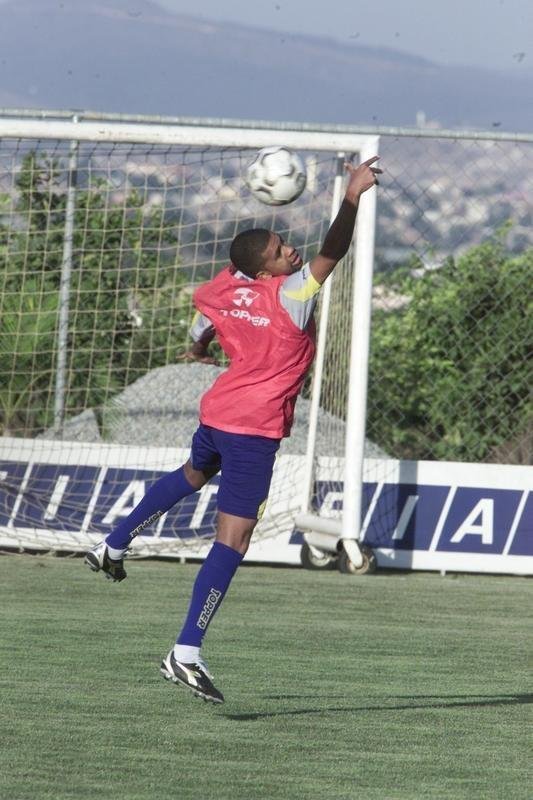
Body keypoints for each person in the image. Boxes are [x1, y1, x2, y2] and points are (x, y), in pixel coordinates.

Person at [85, 156, 381, 704]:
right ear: (266, 271)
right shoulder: (291, 298)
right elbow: (333, 251)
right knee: (234, 540)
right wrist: (351, 196)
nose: (289, 250)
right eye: (278, 251)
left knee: (194, 473)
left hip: (219, 414)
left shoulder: (226, 287)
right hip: (253, 429)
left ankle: (112, 543)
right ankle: (186, 653)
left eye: (283, 242)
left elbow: (207, 315)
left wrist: (198, 346)